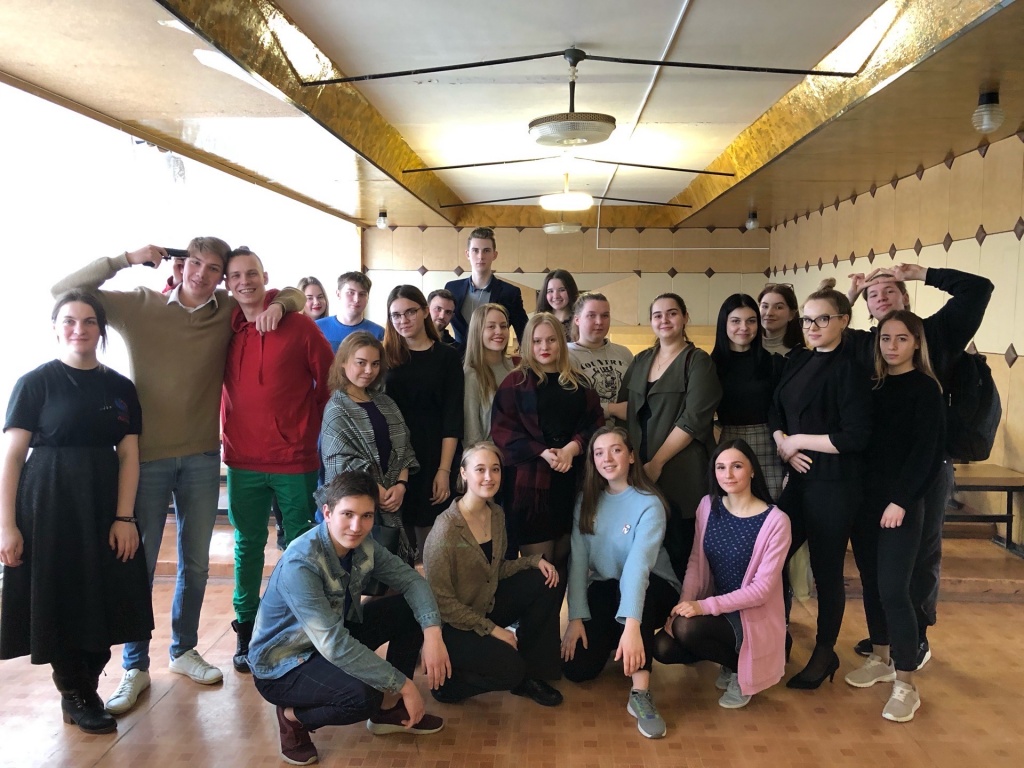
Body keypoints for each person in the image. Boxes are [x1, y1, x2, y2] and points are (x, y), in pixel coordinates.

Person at [51, 240, 305, 714]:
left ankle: (184, 649)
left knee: (196, 563)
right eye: (196, 264)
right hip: (146, 458)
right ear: (181, 264)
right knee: (140, 567)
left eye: (215, 269)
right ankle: (135, 665)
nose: (202, 275)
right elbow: (63, 291)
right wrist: (126, 259)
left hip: (204, 458)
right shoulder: (140, 305)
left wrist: (283, 305)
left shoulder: (226, 310)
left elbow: (286, 292)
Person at [0, 291, 153, 734]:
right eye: (69, 320)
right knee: (61, 596)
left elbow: (129, 454)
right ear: (55, 327)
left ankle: (86, 682)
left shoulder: (120, 387)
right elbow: (12, 456)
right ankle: (76, 692)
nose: (79, 329)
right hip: (48, 504)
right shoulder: (35, 383)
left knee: (107, 592)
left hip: (103, 504)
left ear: (101, 329)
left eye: (89, 321)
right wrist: (7, 525)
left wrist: (124, 517)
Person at [248, 471, 451, 766]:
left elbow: (411, 581)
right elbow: (334, 644)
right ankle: (292, 718)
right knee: (364, 696)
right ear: (327, 513)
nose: (357, 527)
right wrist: (403, 684)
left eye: (366, 516)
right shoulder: (301, 563)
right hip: (283, 666)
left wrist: (432, 633)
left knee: (407, 610)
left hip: (331, 638)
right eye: (348, 514)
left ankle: (388, 710)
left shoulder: (363, 544)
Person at [845, 263, 993, 666]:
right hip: (879, 472)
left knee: (921, 555)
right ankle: (890, 634)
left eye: (889, 290)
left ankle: (916, 636)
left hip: (927, 464)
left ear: (906, 296)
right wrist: (850, 296)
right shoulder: (869, 346)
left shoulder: (936, 332)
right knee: (882, 562)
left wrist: (923, 272)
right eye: (873, 294)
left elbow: (979, 288)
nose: (881, 297)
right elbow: (828, 328)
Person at [221, 248, 335, 674]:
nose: (244, 282)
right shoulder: (225, 326)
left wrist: (309, 430)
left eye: (251, 273)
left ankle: (300, 626)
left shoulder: (299, 325)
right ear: (227, 284)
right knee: (247, 545)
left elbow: (329, 381)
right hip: (242, 458)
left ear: (264, 276)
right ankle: (246, 627)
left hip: (295, 458)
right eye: (236, 276)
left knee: (301, 545)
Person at [769, 278, 872, 689]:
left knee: (826, 571)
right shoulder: (798, 359)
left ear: (843, 320)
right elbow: (775, 409)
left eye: (822, 319)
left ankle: (825, 651)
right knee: (770, 555)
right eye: (808, 320)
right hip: (799, 479)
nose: (812, 327)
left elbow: (855, 436)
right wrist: (783, 443)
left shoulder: (851, 370)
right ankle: (775, 633)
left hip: (835, 484)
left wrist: (798, 441)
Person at [844, 310, 945, 722]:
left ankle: (906, 683)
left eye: (901, 338)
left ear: (916, 343)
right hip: (865, 502)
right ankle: (881, 657)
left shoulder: (926, 389)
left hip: (900, 505)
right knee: (871, 583)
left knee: (893, 590)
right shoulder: (872, 385)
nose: (892, 346)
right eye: (885, 338)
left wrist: (901, 500)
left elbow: (927, 454)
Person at [422, 442, 564, 707]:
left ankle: (532, 675)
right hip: (454, 624)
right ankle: (450, 683)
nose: (489, 477)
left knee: (544, 580)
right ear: (464, 473)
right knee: (510, 670)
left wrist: (534, 562)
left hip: (484, 604)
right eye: (480, 469)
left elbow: (496, 570)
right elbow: (441, 603)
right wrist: (494, 630)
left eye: (495, 469)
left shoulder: (496, 513)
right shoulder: (446, 530)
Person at [561, 427, 680, 739]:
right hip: (608, 584)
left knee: (640, 598)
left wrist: (632, 625)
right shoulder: (586, 502)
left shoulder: (649, 503)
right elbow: (578, 562)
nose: (607, 458)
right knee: (577, 669)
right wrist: (576, 618)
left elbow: (638, 568)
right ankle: (622, 638)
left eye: (615, 450)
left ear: (630, 456)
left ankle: (640, 692)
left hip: (653, 586)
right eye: (599, 453)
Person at [654, 440, 791, 710]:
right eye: (720, 467)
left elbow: (761, 590)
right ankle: (732, 659)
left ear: (752, 470)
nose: (727, 474)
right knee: (662, 647)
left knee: (686, 628)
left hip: (753, 615)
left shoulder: (776, 521)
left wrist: (702, 607)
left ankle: (742, 671)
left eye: (736, 466)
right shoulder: (708, 506)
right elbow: (696, 562)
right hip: (717, 609)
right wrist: (684, 604)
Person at [613, 293, 722, 580]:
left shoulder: (698, 362)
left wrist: (657, 463)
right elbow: (627, 408)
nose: (665, 320)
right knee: (644, 548)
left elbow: (693, 420)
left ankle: (684, 606)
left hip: (682, 471)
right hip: (640, 470)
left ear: (685, 317)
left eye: (672, 313)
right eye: (657, 315)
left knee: (681, 548)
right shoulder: (641, 360)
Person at [490, 313, 603, 565]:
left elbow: (595, 423)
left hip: (572, 480)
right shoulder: (515, 382)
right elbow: (503, 431)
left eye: (551, 340)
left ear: (561, 342)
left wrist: (572, 449)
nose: (544, 347)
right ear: (527, 344)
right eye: (537, 341)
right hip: (531, 487)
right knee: (540, 566)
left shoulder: (579, 382)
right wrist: (542, 452)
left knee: (566, 561)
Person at [319, 331, 419, 561]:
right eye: (361, 363)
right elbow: (339, 462)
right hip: (355, 507)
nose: (368, 370)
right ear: (343, 362)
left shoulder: (385, 402)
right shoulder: (336, 408)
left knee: (394, 570)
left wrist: (401, 485)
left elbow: (404, 448)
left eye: (374, 364)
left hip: (394, 501)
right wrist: (375, 489)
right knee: (359, 570)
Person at [383, 285, 464, 556]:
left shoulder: (447, 357)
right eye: (396, 315)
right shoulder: (384, 357)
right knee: (398, 546)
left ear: (425, 312)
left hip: (433, 455)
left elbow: (453, 418)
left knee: (434, 548)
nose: (403, 320)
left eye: (410, 312)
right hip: (393, 457)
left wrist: (444, 470)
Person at [710, 294, 785, 499]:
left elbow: (778, 408)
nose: (744, 327)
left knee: (771, 502)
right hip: (728, 439)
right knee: (734, 504)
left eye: (751, 321)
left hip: (768, 441)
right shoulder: (710, 365)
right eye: (736, 321)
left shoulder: (772, 363)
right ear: (724, 324)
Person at [445, 227, 528, 348]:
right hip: (457, 357)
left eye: (486, 250)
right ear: (467, 254)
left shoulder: (510, 293)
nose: (480, 256)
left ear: (494, 255)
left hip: (494, 357)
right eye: (475, 250)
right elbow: (437, 326)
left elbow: (524, 334)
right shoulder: (452, 288)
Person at [567, 292, 634, 425]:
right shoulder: (565, 355)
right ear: (577, 320)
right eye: (591, 315)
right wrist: (612, 409)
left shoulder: (624, 353)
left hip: (624, 434)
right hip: (586, 433)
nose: (599, 322)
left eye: (605, 315)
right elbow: (566, 405)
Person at [462, 303, 516, 446]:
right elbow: (472, 436)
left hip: (521, 451)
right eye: (491, 326)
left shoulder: (516, 367)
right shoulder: (471, 374)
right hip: (491, 454)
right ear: (477, 331)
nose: (499, 331)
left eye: (503, 326)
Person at [316, 272, 385, 352]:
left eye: (362, 294)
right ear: (338, 294)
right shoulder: (316, 328)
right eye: (351, 293)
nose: (356, 299)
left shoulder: (379, 333)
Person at [758, 283, 803, 356]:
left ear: (792, 314)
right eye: (765, 306)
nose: (769, 313)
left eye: (778, 307)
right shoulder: (748, 347)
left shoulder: (801, 355)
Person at [536, 269, 580, 339]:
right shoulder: (538, 321)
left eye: (562, 290)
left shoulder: (580, 322)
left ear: (571, 291)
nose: (556, 296)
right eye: (550, 291)